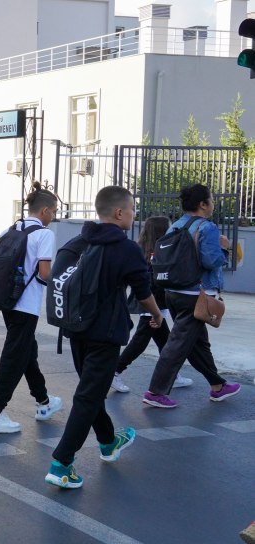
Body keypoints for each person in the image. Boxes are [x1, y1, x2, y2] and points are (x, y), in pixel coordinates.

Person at [46, 185, 163, 489]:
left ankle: (109, 442)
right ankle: (62, 462)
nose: (134, 215)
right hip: (105, 333)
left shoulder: (78, 240)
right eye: (133, 209)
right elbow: (142, 291)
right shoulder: (126, 249)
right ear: (119, 212)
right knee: (88, 395)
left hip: (75, 328)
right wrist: (157, 314)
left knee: (91, 390)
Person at [0, 184, 62, 433]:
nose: (53, 217)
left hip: (7, 302)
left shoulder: (9, 230)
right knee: (14, 357)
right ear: (44, 210)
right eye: (53, 212)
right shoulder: (44, 235)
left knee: (25, 351)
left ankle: (43, 402)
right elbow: (44, 273)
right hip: (26, 304)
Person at [143, 184, 240, 407]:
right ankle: (155, 393)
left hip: (174, 292)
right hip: (197, 295)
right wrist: (224, 248)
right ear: (202, 204)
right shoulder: (207, 228)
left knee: (197, 343)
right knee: (176, 345)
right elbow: (211, 261)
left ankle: (218, 386)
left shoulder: (175, 226)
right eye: (211, 200)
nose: (213, 204)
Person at [110, 216, 192, 393]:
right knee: (140, 342)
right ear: (162, 231)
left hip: (154, 303)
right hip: (151, 303)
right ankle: (115, 371)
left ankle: (172, 375)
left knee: (166, 341)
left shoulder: (145, 250)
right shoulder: (158, 252)